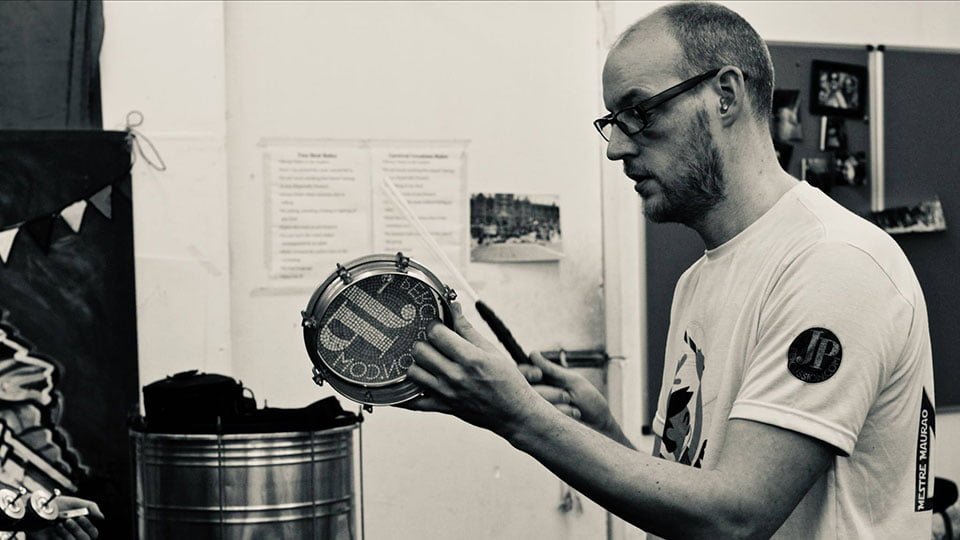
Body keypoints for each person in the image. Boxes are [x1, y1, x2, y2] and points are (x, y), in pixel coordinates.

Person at [401, 2, 936, 538]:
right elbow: (686, 485)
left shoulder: (834, 262)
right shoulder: (698, 280)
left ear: (725, 95)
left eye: (640, 111)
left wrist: (519, 416)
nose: (616, 148)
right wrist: (598, 429)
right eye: (612, 122)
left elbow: (737, 517)